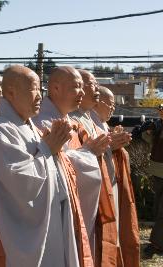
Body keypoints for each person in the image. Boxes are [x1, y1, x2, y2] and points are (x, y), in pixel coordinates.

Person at [0, 65, 80, 267]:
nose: (40, 96)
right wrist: (47, 148)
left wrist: (52, 148)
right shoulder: (0, 132)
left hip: (53, 221)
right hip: (26, 233)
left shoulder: (29, 126)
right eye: (34, 88)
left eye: (40, 89)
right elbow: (21, 183)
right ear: (10, 92)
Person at [33, 66, 109, 266]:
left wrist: (89, 152)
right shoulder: (42, 124)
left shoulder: (67, 120)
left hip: (74, 209)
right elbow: (49, 169)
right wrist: (88, 154)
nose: (82, 93)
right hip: (56, 215)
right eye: (76, 87)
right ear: (56, 89)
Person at [70, 70, 120, 266]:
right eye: (91, 84)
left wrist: (111, 147)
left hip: (99, 192)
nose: (96, 89)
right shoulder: (70, 120)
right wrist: (103, 147)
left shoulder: (88, 118)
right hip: (83, 198)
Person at [91, 86, 140, 267]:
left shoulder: (101, 125)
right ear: (97, 102)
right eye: (109, 104)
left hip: (112, 186)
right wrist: (110, 146)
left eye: (114, 105)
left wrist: (116, 144)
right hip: (98, 193)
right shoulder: (86, 124)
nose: (112, 109)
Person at [141, 103, 163, 258]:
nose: (160, 112)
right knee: (158, 208)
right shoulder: (158, 126)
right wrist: (149, 131)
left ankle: (156, 244)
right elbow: (147, 139)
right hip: (158, 171)